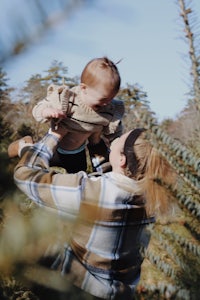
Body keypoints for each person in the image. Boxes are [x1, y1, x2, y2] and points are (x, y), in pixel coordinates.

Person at [13, 125, 176, 300]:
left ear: (122, 159)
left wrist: (48, 139)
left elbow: (25, 176)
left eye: (117, 142)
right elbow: (114, 179)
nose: (112, 144)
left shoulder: (89, 191)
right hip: (119, 294)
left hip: (74, 289)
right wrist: (96, 143)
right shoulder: (152, 198)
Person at [31, 56, 124, 173]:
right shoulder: (68, 99)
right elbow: (38, 109)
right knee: (34, 165)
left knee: (78, 178)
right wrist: (47, 112)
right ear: (84, 88)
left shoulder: (109, 110)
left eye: (111, 98)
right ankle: (24, 146)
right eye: (103, 99)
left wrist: (119, 148)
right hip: (53, 146)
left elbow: (115, 135)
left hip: (76, 153)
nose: (107, 103)